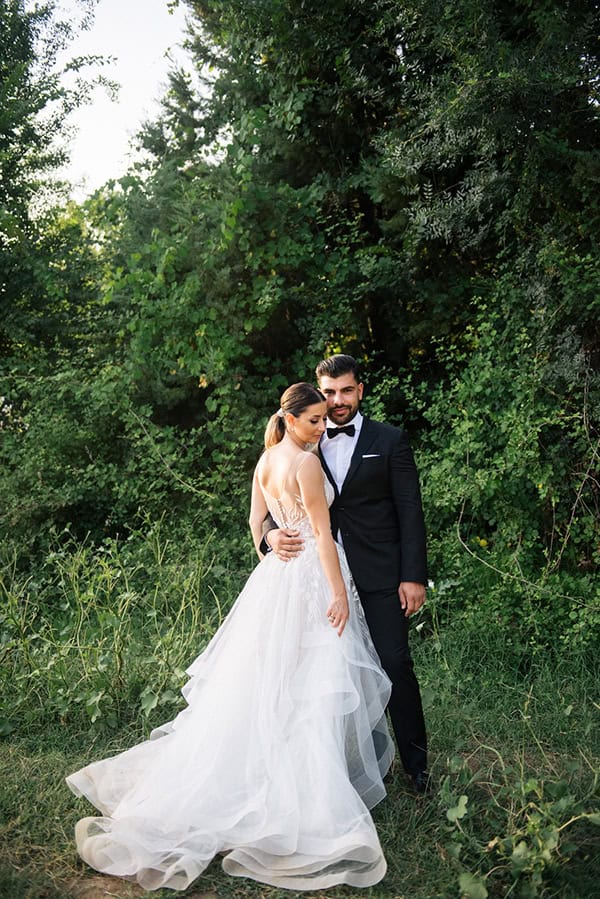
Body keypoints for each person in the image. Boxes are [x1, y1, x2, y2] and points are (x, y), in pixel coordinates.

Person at [66, 382, 395, 893]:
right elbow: (324, 536)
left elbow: (254, 524)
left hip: (276, 582)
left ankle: (276, 773)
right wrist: (337, 593)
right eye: (313, 421)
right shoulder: (306, 464)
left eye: (322, 422)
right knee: (311, 682)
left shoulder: (266, 461)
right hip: (309, 578)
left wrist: (271, 549)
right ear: (291, 420)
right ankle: (305, 792)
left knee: (275, 682)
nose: (320, 428)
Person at [264, 356, 429, 793]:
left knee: (394, 663)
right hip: (316, 579)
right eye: (329, 392)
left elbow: (410, 510)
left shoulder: (390, 440)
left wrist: (413, 575)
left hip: (378, 573)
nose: (337, 402)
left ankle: (417, 769)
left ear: (360, 389)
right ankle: (338, 773)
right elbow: (270, 508)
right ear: (318, 393)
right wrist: (269, 538)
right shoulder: (305, 439)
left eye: (346, 391)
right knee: (319, 674)